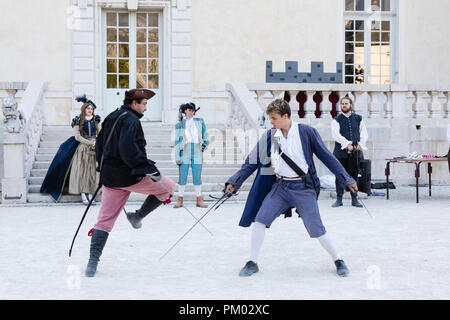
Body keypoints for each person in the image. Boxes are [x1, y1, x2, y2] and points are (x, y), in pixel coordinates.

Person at [224, 99, 357, 278]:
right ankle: (252, 262)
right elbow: (251, 161)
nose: (271, 122)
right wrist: (234, 182)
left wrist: (345, 178)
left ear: (286, 116)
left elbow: (327, 157)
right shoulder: (271, 136)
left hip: (304, 187)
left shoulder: (306, 132)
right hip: (281, 186)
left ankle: (338, 260)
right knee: (260, 219)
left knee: (316, 229)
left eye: (274, 118)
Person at [85, 89, 176, 277]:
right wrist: (148, 168)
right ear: (134, 103)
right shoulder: (132, 121)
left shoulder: (111, 116)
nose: (146, 108)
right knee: (169, 188)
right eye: (144, 104)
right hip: (129, 176)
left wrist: (102, 169)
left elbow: (100, 146)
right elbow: (129, 151)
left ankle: (92, 263)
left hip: (110, 178)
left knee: (104, 221)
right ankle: (137, 216)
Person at [40, 95, 100, 204]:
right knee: (82, 172)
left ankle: (91, 194)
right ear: (84, 109)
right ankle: (83, 194)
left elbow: (101, 133)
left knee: (92, 172)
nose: (90, 110)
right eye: (88, 108)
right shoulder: (78, 120)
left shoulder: (96, 120)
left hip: (94, 149)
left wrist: (97, 142)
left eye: (91, 109)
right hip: (82, 148)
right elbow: (77, 136)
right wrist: (90, 142)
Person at [330, 96, 368, 208]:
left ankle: (354, 199)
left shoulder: (358, 118)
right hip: (340, 152)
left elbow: (364, 133)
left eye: (346, 103)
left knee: (354, 175)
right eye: (342, 104)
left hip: (355, 152)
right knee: (339, 175)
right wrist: (347, 144)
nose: (344, 105)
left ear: (351, 105)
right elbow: (336, 134)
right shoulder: (336, 120)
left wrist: (361, 144)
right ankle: (339, 199)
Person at [173, 102, 210, 208]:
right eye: (189, 110)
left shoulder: (200, 121)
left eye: (193, 110)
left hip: (197, 150)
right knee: (183, 175)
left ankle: (199, 199)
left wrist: (205, 144)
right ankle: (180, 199)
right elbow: (177, 141)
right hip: (184, 150)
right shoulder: (180, 124)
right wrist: (177, 156)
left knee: (197, 175)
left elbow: (205, 134)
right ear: (185, 111)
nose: (191, 112)